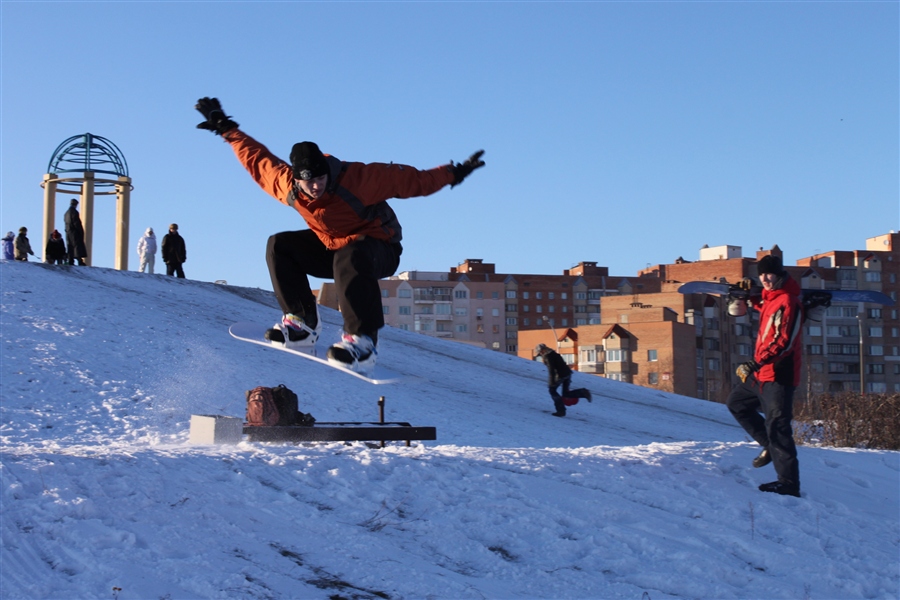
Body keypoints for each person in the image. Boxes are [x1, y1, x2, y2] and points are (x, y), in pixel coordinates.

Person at [194, 96, 485, 373]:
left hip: (379, 249)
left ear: (327, 172)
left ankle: (362, 342)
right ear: (296, 178)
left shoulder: (359, 179)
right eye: (308, 182)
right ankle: (301, 324)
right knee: (279, 244)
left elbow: (411, 181)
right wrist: (225, 128)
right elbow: (257, 159)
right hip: (334, 251)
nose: (316, 187)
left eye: (320, 179)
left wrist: (453, 173)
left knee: (352, 252)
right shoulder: (288, 186)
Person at [725, 255, 803, 497]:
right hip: (761, 372)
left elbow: (784, 341)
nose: (765, 279)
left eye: (769, 274)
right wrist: (743, 295)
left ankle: (789, 484)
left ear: (779, 274)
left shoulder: (789, 302)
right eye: (762, 275)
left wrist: (755, 363)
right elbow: (760, 304)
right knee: (737, 404)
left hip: (779, 373)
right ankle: (769, 447)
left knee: (778, 427)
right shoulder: (771, 300)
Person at [535, 343, 592, 417]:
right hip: (567, 373)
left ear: (542, 351)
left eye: (540, 354)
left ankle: (561, 410)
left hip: (561, 375)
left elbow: (551, 370)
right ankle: (583, 392)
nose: (541, 355)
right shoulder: (553, 353)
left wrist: (551, 382)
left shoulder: (548, 357)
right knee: (565, 393)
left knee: (552, 390)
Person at [64, 199, 87, 266]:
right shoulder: (74, 212)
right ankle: (79, 260)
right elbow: (76, 223)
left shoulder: (66, 213)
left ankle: (71, 260)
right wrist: (80, 231)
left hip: (68, 232)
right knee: (77, 246)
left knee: (70, 246)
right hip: (74, 232)